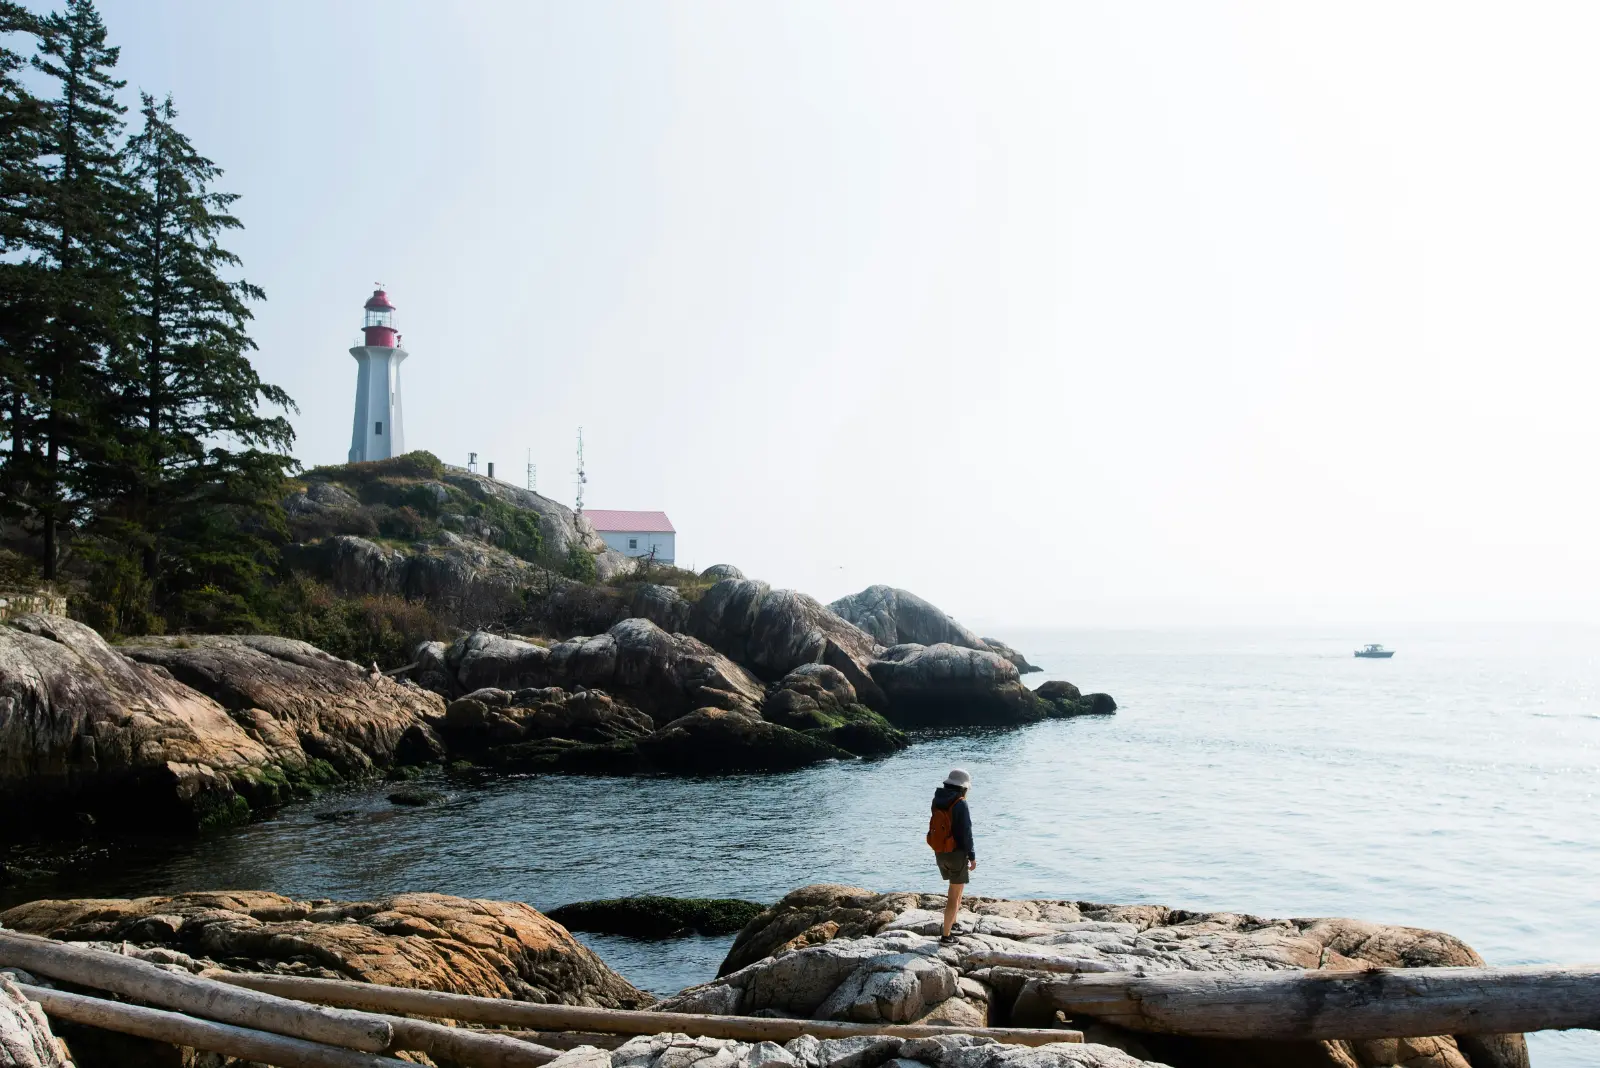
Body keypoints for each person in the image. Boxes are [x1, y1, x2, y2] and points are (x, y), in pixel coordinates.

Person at [926, 767, 976, 941]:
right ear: (963, 787)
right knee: (953, 896)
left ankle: (953, 923)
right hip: (956, 853)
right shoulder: (960, 803)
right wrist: (972, 856)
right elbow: (966, 833)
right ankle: (946, 936)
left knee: (957, 887)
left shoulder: (937, 800)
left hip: (940, 851)